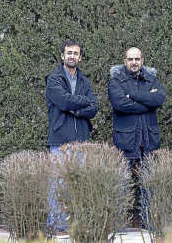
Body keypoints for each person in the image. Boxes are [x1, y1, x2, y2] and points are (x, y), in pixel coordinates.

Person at [108, 47, 166, 230]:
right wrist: (147, 103)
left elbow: (159, 98)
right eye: (130, 59)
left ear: (142, 60)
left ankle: (148, 221)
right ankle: (119, 223)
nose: (134, 62)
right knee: (121, 183)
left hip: (148, 140)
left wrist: (133, 95)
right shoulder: (116, 81)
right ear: (125, 61)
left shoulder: (151, 78)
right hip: (126, 141)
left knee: (148, 183)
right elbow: (120, 104)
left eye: (137, 59)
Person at [45, 39, 98, 237]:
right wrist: (82, 103)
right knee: (57, 184)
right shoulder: (54, 79)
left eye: (75, 53)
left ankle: (75, 225)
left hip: (81, 140)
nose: (72, 56)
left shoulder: (85, 81)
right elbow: (63, 101)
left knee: (78, 185)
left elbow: (93, 108)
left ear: (80, 57)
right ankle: (56, 226)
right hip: (59, 139)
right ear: (62, 56)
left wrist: (77, 109)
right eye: (69, 53)